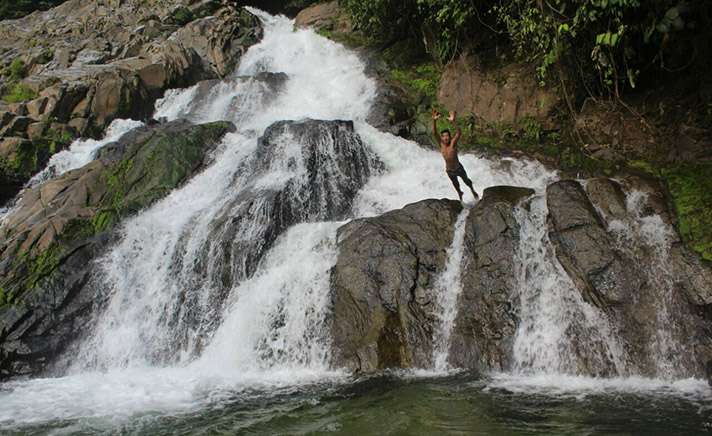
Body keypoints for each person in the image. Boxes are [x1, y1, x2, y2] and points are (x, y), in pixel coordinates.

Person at [432, 109, 479, 202]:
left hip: (458, 168)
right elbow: (434, 133)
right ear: (442, 138)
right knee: (455, 184)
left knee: (467, 181)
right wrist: (434, 120)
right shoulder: (441, 145)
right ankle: (460, 194)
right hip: (450, 171)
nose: (446, 138)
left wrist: (453, 121)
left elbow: (459, 133)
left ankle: (472, 190)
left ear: (450, 137)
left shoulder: (453, 143)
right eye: (444, 136)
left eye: (447, 136)